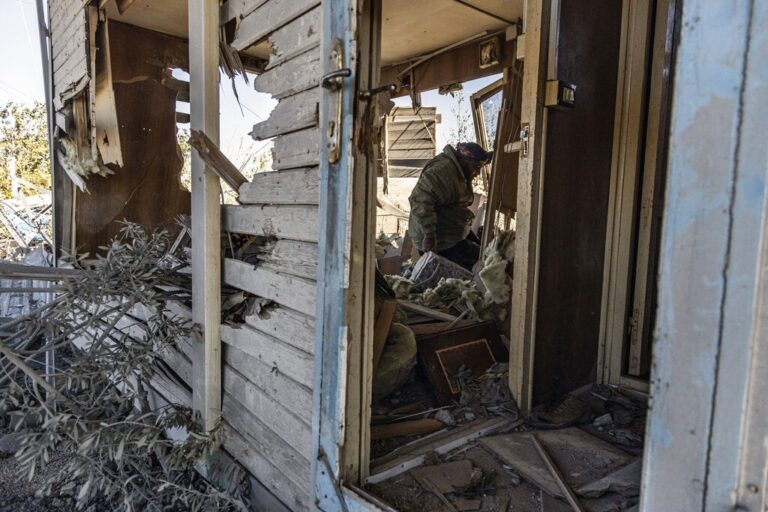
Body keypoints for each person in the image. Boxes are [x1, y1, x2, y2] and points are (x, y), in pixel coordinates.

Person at [408, 142, 492, 270]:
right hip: (439, 239)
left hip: (452, 229)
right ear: (465, 160)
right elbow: (420, 200)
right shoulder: (443, 171)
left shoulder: (459, 170)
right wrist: (429, 235)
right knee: (482, 266)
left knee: (485, 255)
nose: (478, 172)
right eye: (476, 166)